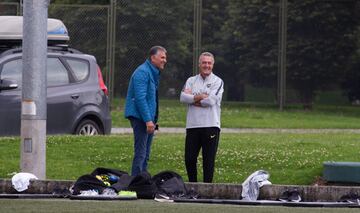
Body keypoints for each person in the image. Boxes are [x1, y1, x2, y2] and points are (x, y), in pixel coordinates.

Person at [180, 52, 224, 183]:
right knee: (189, 159)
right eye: (204, 62)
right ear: (199, 64)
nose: (207, 65)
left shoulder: (218, 81)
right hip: (193, 125)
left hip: (211, 125)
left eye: (209, 63)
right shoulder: (191, 80)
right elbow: (182, 98)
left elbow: (210, 101)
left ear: (213, 64)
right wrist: (199, 97)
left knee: (208, 160)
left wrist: (192, 99)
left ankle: (207, 188)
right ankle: (193, 186)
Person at [124, 46, 167, 176]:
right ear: (153, 58)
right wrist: (148, 120)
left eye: (165, 58)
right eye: (162, 57)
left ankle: (142, 180)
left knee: (146, 154)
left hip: (148, 119)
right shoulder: (143, 72)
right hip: (141, 119)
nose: (165, 60)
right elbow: (140, 98)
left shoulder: (152, 72)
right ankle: (136, 181)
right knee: (141, 153)